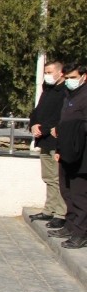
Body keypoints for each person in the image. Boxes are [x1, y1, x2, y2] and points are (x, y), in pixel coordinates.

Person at [49, 64, 87, 249]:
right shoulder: (69, 95)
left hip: (81, 156)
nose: (69, 81)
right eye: (68, 77)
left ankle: (81, 233)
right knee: (67, 192)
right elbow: (63, 124)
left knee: (80, 195)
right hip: (66, 152)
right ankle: (70, 226)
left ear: (84, 76)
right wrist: (59, 149)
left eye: (73, 77)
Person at [29, 61, 67, 223]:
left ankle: (60, 213)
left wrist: (43, 128)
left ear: (61, 73)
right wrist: (33, 125)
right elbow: (37, 111)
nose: (47, 75)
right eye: (45, 72)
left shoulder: (66, 92)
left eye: (50, 72)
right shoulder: (48, 89)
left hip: (56, 141)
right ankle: (49, 209)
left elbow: (60, 116)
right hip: (43, 140)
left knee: (57, 178)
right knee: (48, 178)